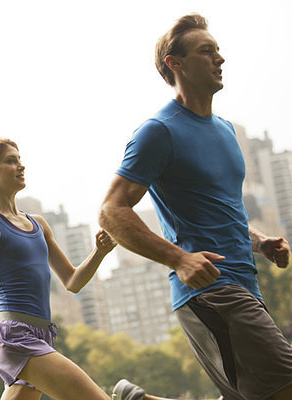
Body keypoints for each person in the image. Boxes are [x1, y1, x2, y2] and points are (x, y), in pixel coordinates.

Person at [99, 14, 292, 400]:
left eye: (218, 51)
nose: (220, 59)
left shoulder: (225, 129)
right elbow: (111, 211)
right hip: (212, 291)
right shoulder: (159, 131)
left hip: (246, 284)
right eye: (207, 52)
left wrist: (258, 243)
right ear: (176, 63)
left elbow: (219, 206)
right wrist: (178, 259)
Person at [0, 138, 120, 400]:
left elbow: (73, 281)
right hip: (16, 336)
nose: (21, 166)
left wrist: (99, 252)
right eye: (11, 161)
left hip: (42, 335)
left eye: (19, 160)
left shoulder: (38, 224)